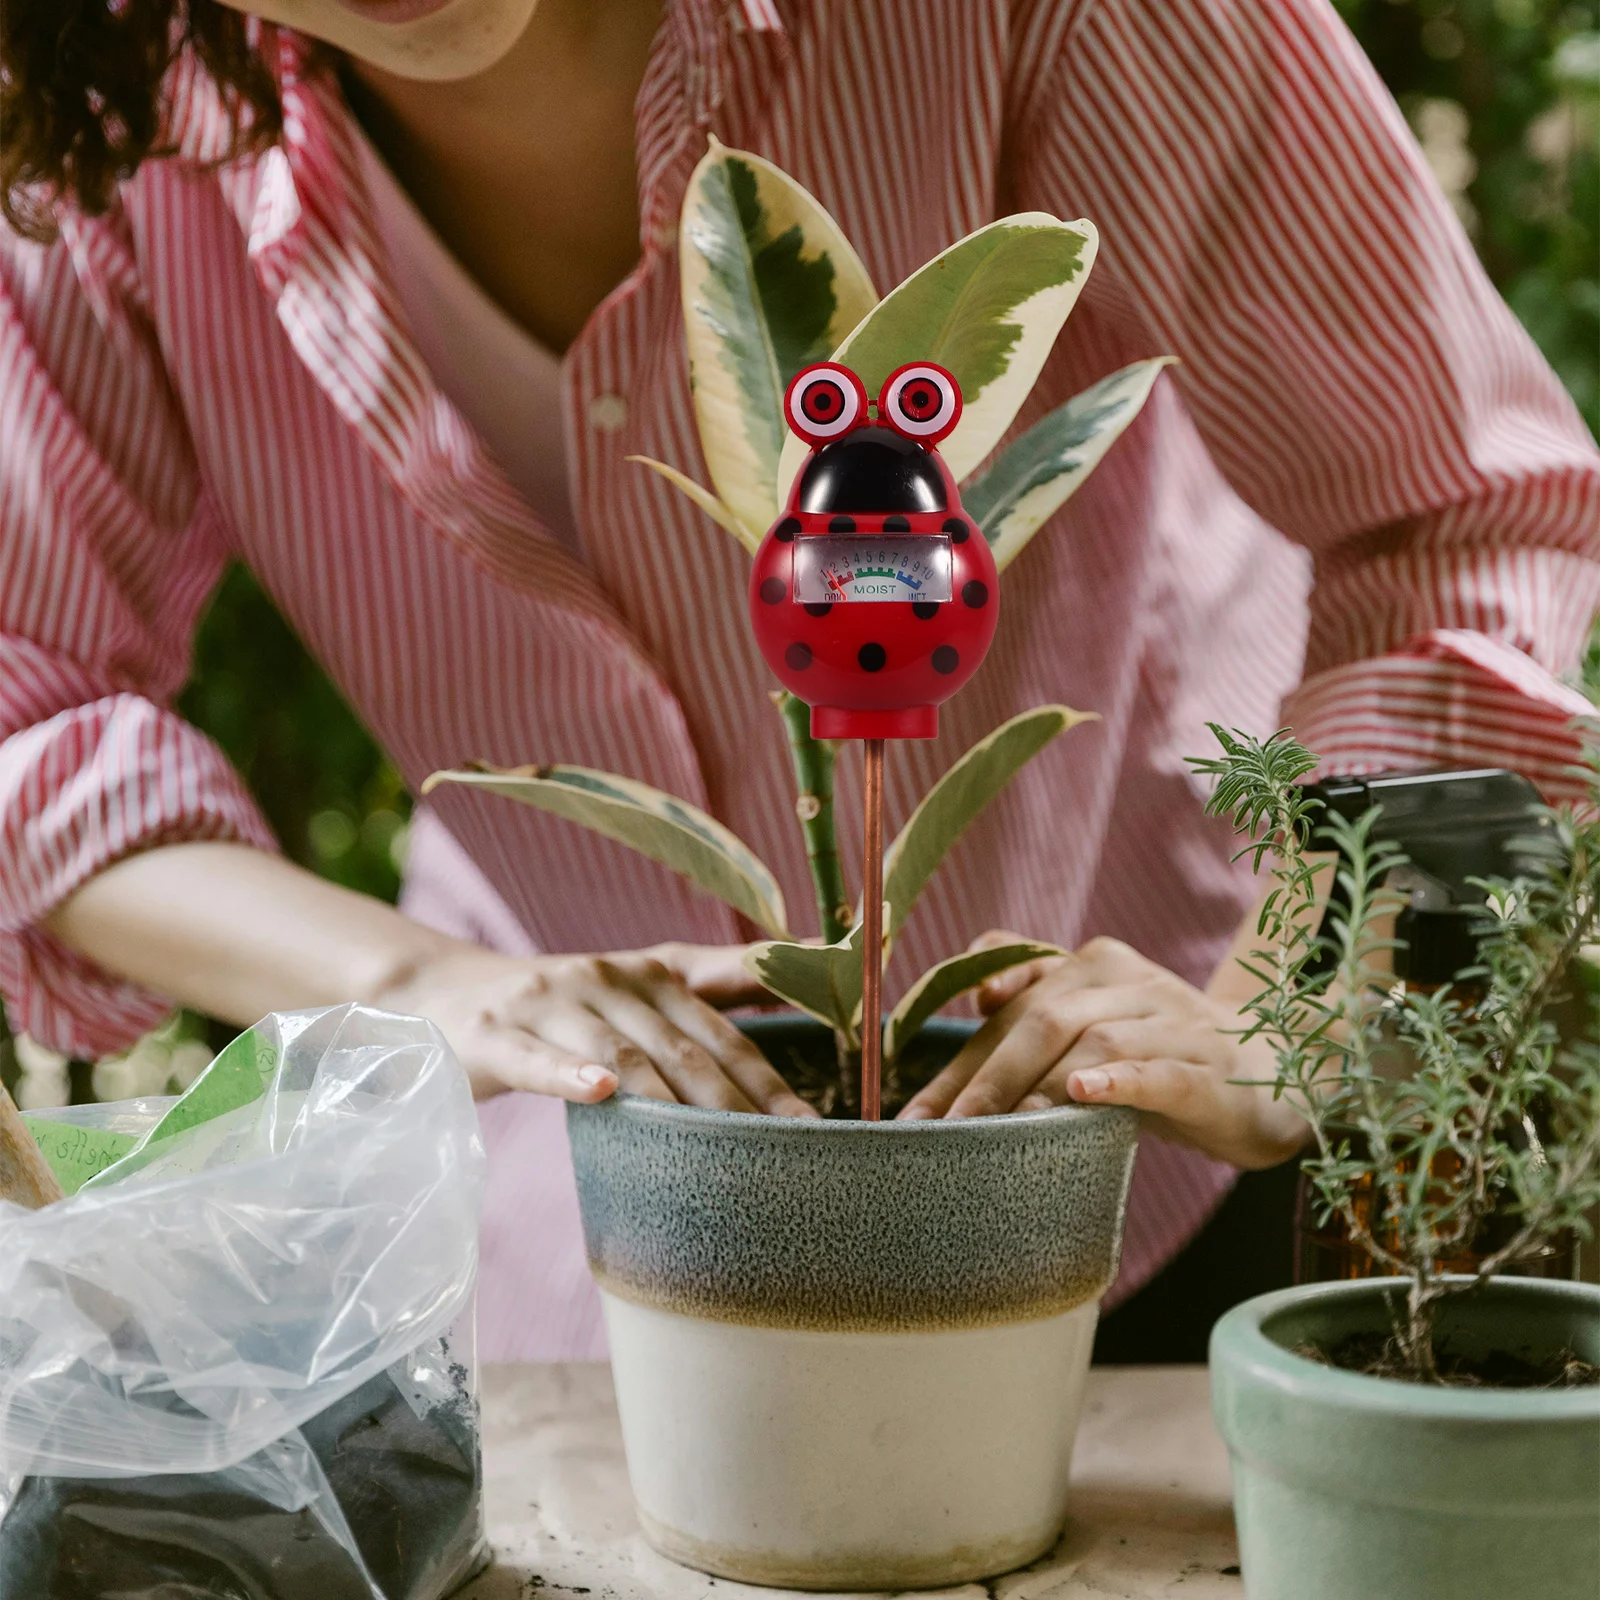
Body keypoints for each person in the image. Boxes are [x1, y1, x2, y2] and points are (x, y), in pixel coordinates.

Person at [2, 0, 1595, 1363]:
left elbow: (1465, 521)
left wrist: (1288, 1025)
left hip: (1155, 1139)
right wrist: (429, 990)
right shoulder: (115, 117)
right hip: (607, 1207)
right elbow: (31, 707)